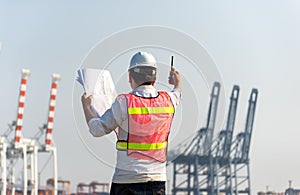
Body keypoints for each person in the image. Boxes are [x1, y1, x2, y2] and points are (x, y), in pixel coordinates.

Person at [81, 51, 181, 195]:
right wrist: (177, 82)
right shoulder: (169, 100)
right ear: (155, 77)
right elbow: (178, 92)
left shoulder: (123, 103)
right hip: (157, 182)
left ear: (130, 76)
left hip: (126, 182)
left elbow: (97, 130)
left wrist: (86, 106)